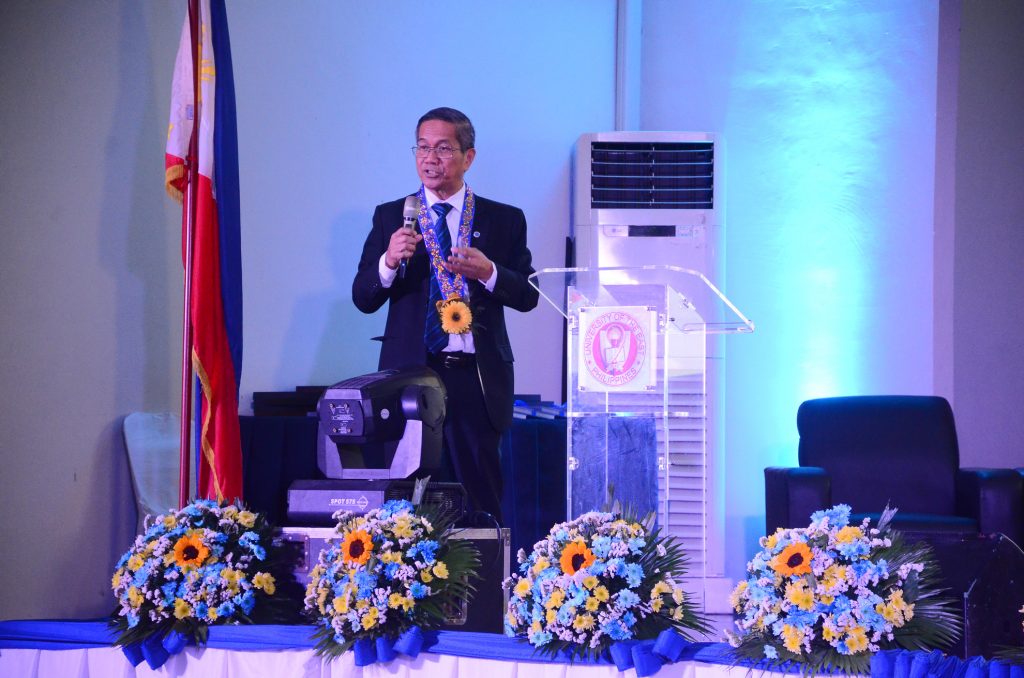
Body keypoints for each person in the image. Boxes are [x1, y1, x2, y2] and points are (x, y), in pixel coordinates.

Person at [352, 107, 538, 522]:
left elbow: (529, 295)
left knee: (480, 501)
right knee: (406, 502)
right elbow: (363, 298)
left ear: (468, 157)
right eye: (422, 148)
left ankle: (485, 566)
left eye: (442, 148)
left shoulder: (503, 219)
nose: (430, 158)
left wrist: (488, 272)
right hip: (409, 378)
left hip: (475, 378)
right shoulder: (391, 216)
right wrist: (388, 261)